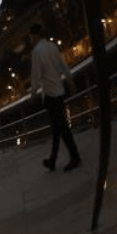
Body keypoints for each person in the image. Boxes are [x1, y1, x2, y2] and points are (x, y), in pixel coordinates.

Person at [29, 24, 82, 171]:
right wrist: (70, 81)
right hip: (59, 91)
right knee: (58, 128)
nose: (30, 40)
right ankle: (52, 160)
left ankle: (75, 156)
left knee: (62, 128)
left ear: (34, 36)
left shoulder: (36, 52)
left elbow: (36, 76)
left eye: (30, 37)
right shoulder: (52, 46)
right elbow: (63, 65)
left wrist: (33, 94)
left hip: (50, 95)